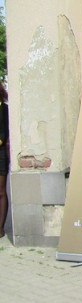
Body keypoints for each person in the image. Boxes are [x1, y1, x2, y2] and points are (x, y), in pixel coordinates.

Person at [0, 83, 9, 238]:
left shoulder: (4, 109)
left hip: (0, 155)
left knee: (0, 191)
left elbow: (3, 135)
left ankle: (0, 228)